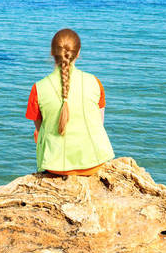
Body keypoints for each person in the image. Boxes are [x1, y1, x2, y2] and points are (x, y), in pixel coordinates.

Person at [25, 28, 114, 176]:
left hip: (56, 167)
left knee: (39, 133)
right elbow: (99, 123)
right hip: (94, 163)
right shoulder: (94, 82)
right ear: (78, 53)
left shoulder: (38, 88)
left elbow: (40, 129)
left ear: (52, 53)